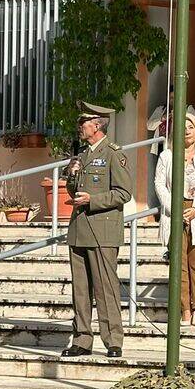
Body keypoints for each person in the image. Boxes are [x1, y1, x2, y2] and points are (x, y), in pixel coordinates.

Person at [61, 102, 134, 359]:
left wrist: (93, 200)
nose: (79, 127)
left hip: (102, 231)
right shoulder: (81, 155)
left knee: (106, 289)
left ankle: (113, 340)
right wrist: (71, 176)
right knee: (80, 290)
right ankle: (81, 339)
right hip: (79, 229)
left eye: (83, 123)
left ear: (97, 124)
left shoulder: (113, 153)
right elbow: (73, 191)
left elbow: (124, 193)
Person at [155, 110, 195, 327]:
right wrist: (173, 208)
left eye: (191, 127)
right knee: (178, 263)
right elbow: (159, 185)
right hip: (175, 209)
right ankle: (185, 309)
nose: (187, 131)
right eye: (183, 126)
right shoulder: (167, 156)